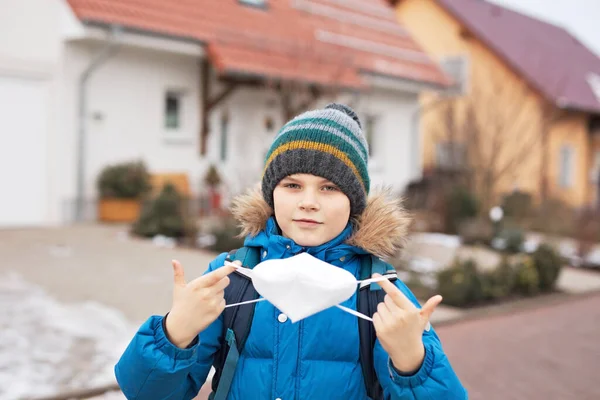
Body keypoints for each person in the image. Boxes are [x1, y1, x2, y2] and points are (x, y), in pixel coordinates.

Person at [115, 103, 467, 399]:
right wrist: (175, 334)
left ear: (353, 201)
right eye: (292, 185)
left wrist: (412, 363)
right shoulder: (233, 277)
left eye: (329, 187)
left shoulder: (378, 291)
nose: (308, 203)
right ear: (272, 192)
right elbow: (143, 392)